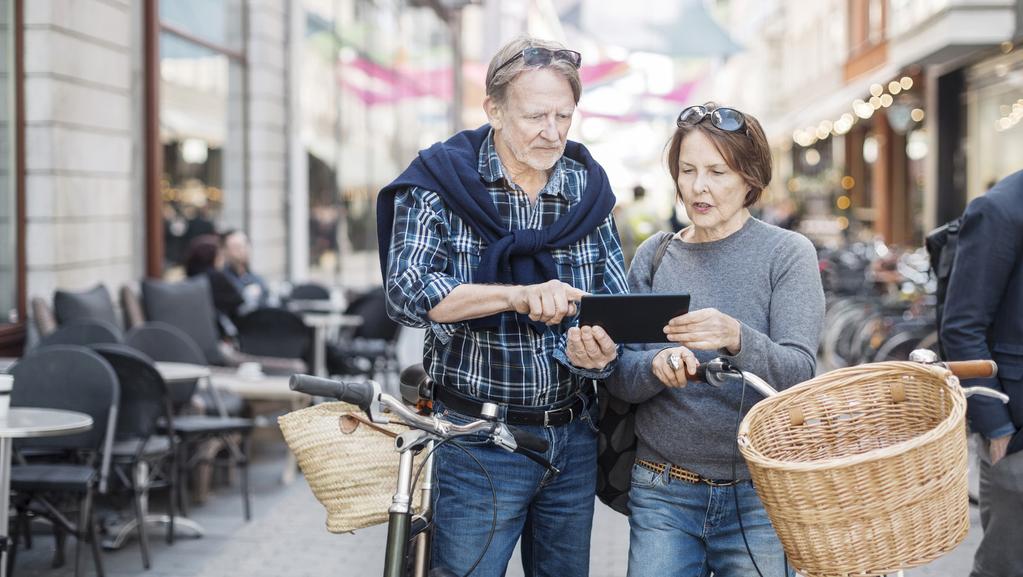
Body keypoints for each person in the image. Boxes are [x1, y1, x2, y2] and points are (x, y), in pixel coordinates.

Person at [377, 36, 628, 577]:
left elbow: (612, 307)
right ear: (492, 109)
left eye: (565, 115)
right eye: (537, 115)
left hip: (572, 440)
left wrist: (598, 355)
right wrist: (515, 296)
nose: (554, 131)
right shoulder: (439, 183)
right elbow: (406, 290)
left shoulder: (589, 189)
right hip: (476, 443)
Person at [587, 103, 824, 577]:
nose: (699, 187)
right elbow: (620, 382)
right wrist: (655, 368)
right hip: (662, 490)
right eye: (688, 170)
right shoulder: (656, 256)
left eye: (718, 171)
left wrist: (737, 338)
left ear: (750, 178)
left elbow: (798, 376)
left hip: (761, 493)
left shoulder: (787, 254)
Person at [940, 170, 1023, 577]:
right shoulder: (1001, 208)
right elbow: (962, 327)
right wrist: (999, 429)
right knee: (1005, 567)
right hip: (1017, 433)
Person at [221, 229, 273, 315]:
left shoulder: (256, 278)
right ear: (225, 251)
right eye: (237, 247)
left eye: (245, 245)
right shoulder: (223, 280)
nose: (243, 250)